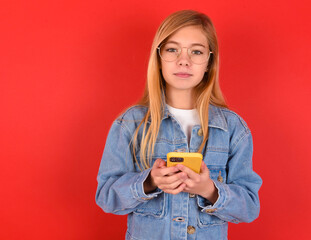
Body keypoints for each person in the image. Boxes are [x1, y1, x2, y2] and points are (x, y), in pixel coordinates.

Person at [95, 10, 262, 240]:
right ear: (159, 57)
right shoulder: (130, 124)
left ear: (208, 63)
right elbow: (106, 196)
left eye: (196, 51)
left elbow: (250, 207)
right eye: (172, 49)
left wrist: (209, 190)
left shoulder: (233, 128)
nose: (184, 60)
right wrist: (149, 182)